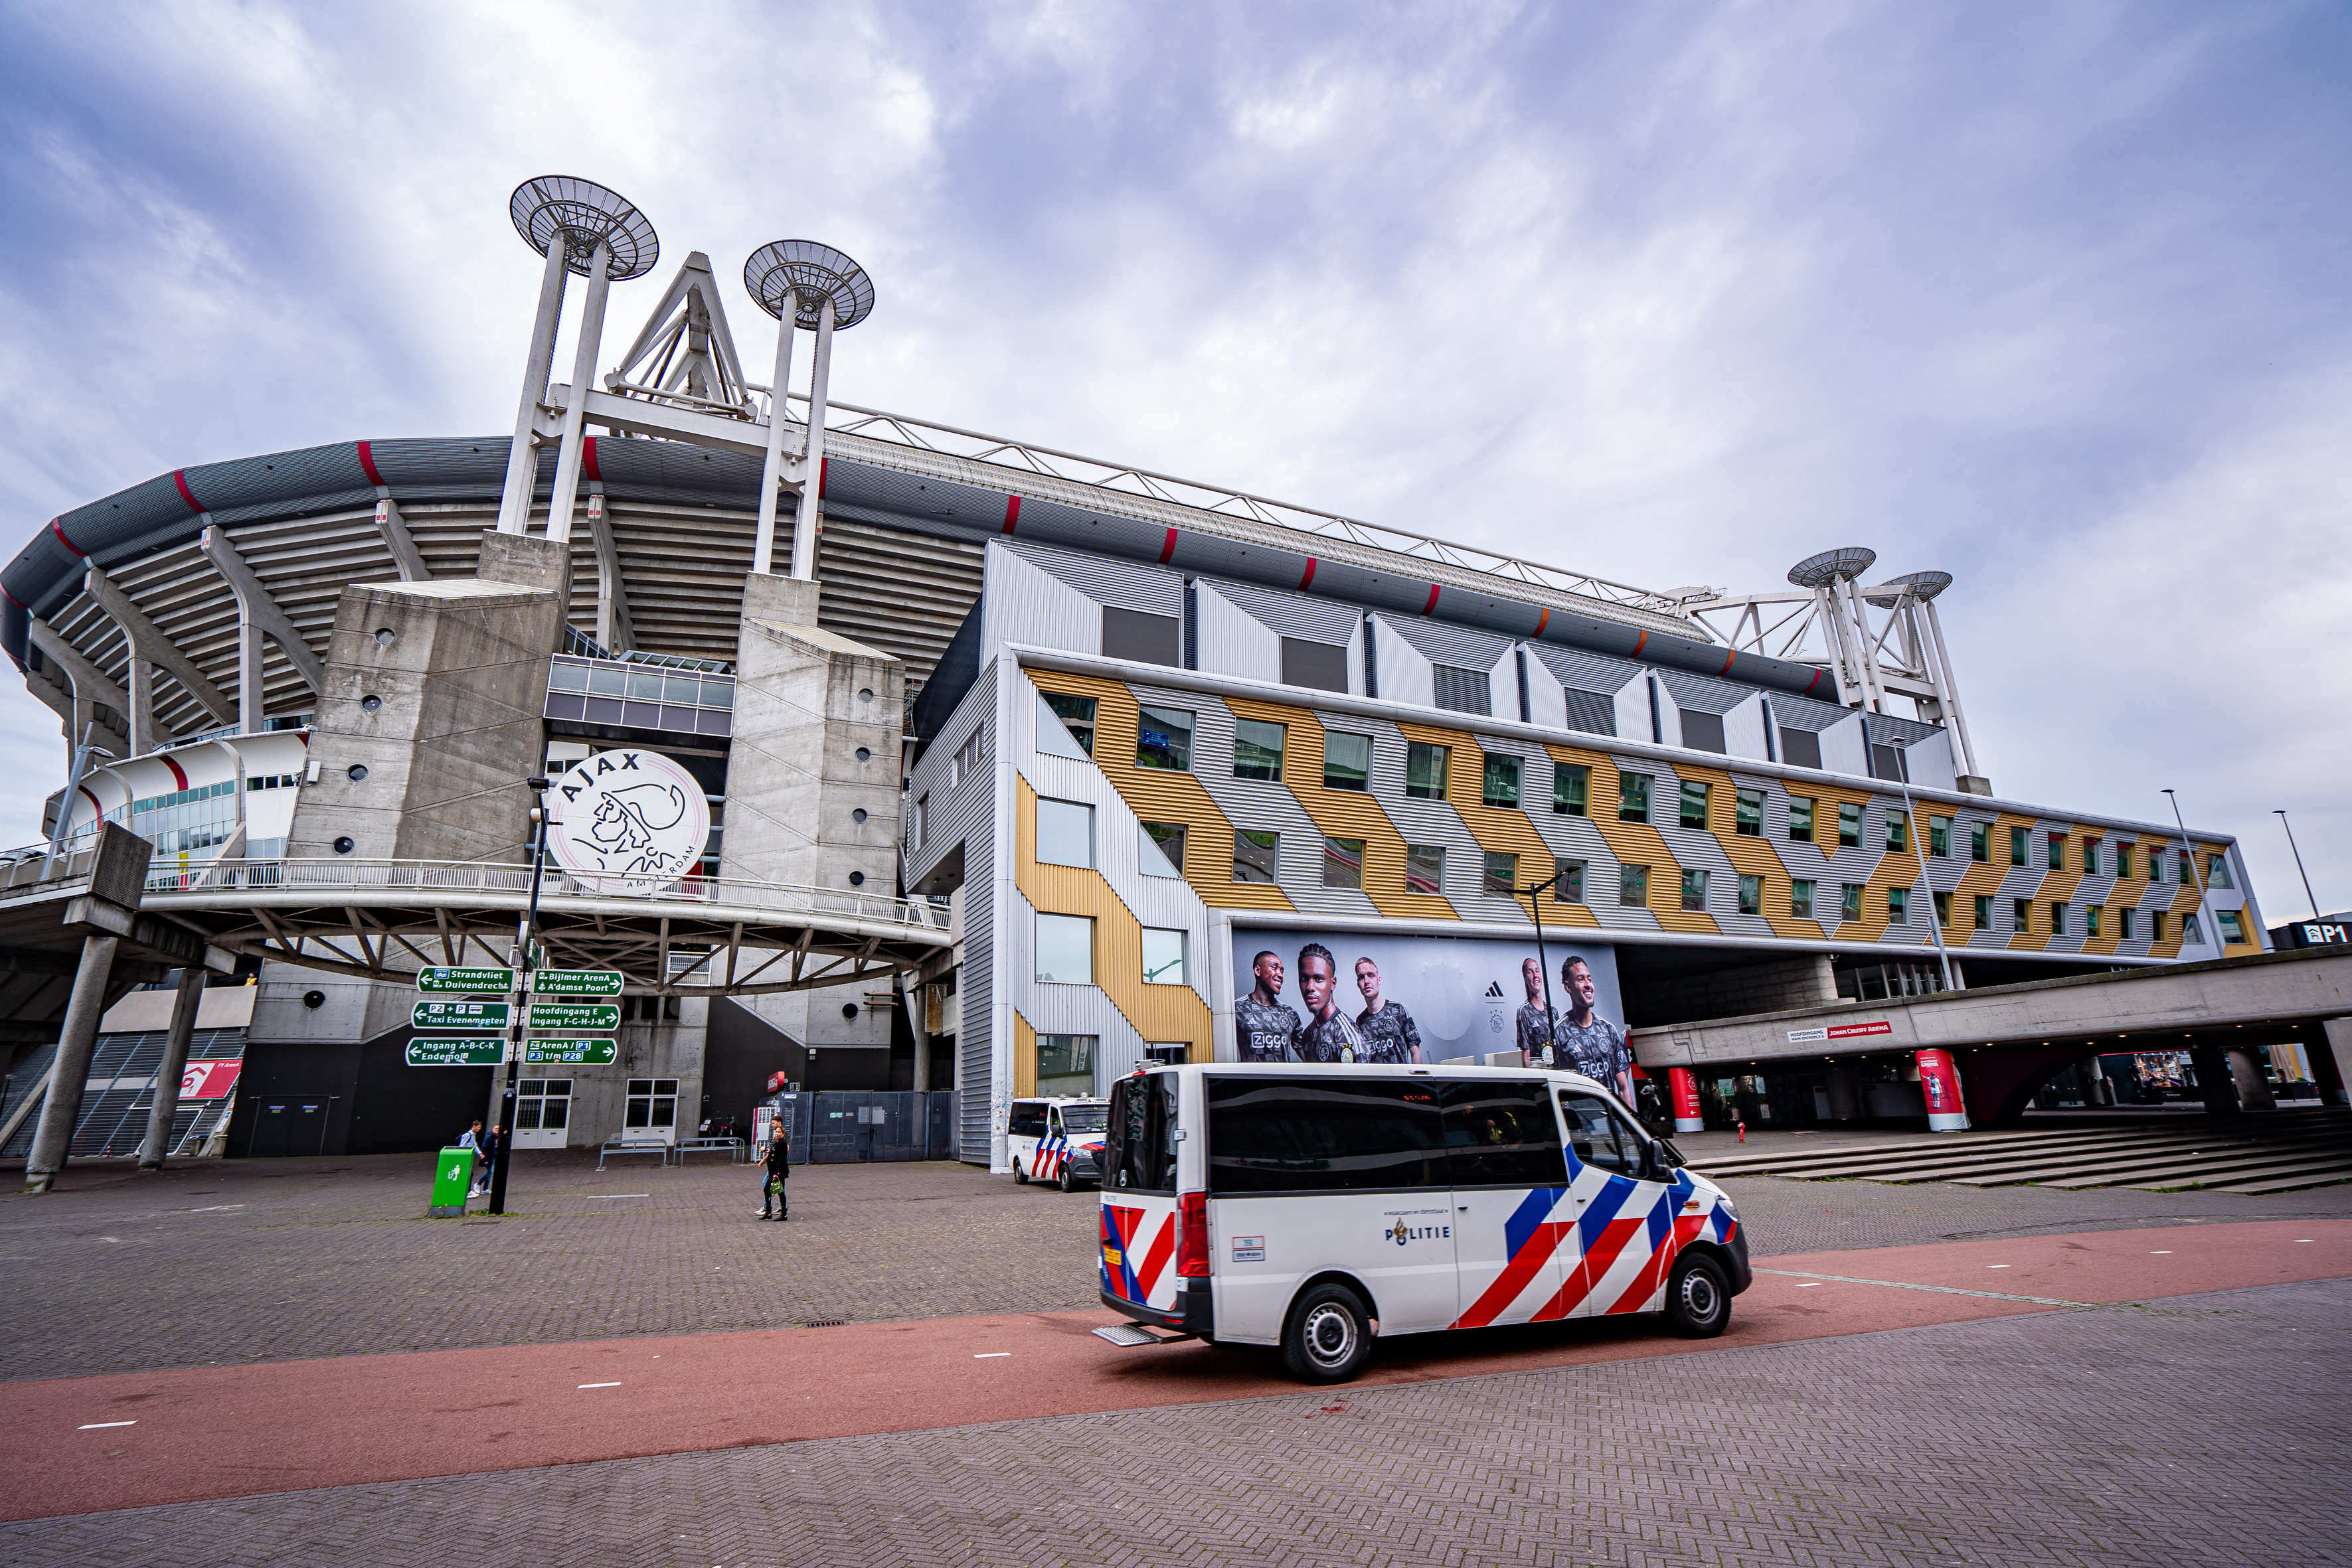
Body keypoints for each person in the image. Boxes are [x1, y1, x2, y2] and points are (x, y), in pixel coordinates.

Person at [1553, 955, 1633, 1100]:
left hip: (1609, 1118)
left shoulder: (1608, 1030)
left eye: (1589, 979)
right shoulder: (1557, 1034)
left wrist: (1629, 1122)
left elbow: (1623, 1088)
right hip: (1578, 1119)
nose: (1588, 984)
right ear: (1568, 987)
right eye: (1581, 979)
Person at [1293, 943, 1365, 1063]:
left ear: (1333, 983)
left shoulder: (1345, 1034)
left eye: (1319, 979)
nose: (1310, 987)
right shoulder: (1307, 1035)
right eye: (1304, 979)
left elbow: (1361, 1080)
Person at [1352, 956, 1422, 1064]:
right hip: (1376, 1081)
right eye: (1362, 977)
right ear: (1358, 984)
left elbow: (1415, 1052)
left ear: (1379, 980)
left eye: (1371, 975)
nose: (1366, 981)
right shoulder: (1360, 1021)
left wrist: (1417, 1080)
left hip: (1402, 1080)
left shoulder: (1398, 1009)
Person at [1234, 949, 1302, 1061]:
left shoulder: (1289, 1013)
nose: (1280, 975)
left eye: (1282, 971)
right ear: (1258, 970)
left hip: (1284, 1078)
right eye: (1274, 968)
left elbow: (1309, 1057)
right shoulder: (1237, 1009)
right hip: (1251, 1078)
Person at [1512, 957, 1558, 1066]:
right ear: (1525, 978)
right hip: (1539, 1072)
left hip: (1556, 1072)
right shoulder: (1524, 1011)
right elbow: (1526, 1054)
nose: (1535, 975)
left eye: (1537, 971)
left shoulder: (1553, 1011)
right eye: (1530, 972)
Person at [758, 1121, 790, 1221]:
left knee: (780, 1192)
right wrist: (765, 1151)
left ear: (783, 1134)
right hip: (772, 1172)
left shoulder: (783, 1144)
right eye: (776, 1132)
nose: (777, 1134)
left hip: (779, 1173)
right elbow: (772, 1154)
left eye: (779, 1132)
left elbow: (781, 1159)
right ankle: (768, 1212)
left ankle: (784, 1214)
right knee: (767, 1190)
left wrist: (776, 1173)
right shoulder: (776, 1143)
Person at [458, 1119, 491, 1198]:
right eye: (479, 1127)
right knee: (469, 1174)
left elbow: (475, 1145)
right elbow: (461, 1146)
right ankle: (468, 1192)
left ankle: (467, 1191)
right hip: (464, 1159)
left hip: (468, 1158)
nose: (480, 1129)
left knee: (469, 1174)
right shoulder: (467, 1135)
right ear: (474, 1126)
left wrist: (480, 1153)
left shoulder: (473, 1135)